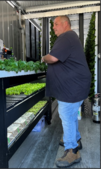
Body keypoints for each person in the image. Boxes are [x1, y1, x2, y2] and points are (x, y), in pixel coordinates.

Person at [42, 15, 91, 168]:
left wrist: (43, 58)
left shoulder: (66, 37)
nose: (54, 27)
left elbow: (53, 58)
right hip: (76, 85)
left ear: (65, 24)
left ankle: (72, 151)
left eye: (56, 24)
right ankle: (75, 139)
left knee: (66, 115)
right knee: (70, 114)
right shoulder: (71, 37)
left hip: (72, 87)